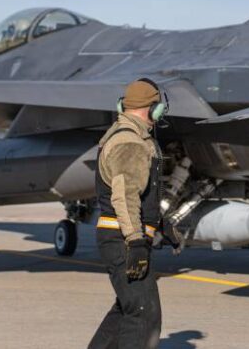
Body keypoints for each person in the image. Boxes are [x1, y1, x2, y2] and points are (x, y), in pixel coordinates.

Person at [88, 78, 167, 349]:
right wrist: (135, 241)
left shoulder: (128, 136)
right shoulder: (130, 142)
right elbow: (124, 195)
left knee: (127, 308)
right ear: (153, 108)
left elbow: (140, 194)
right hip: (123, 238)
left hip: (121, 235)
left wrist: (161, 226)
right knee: (143, 314)